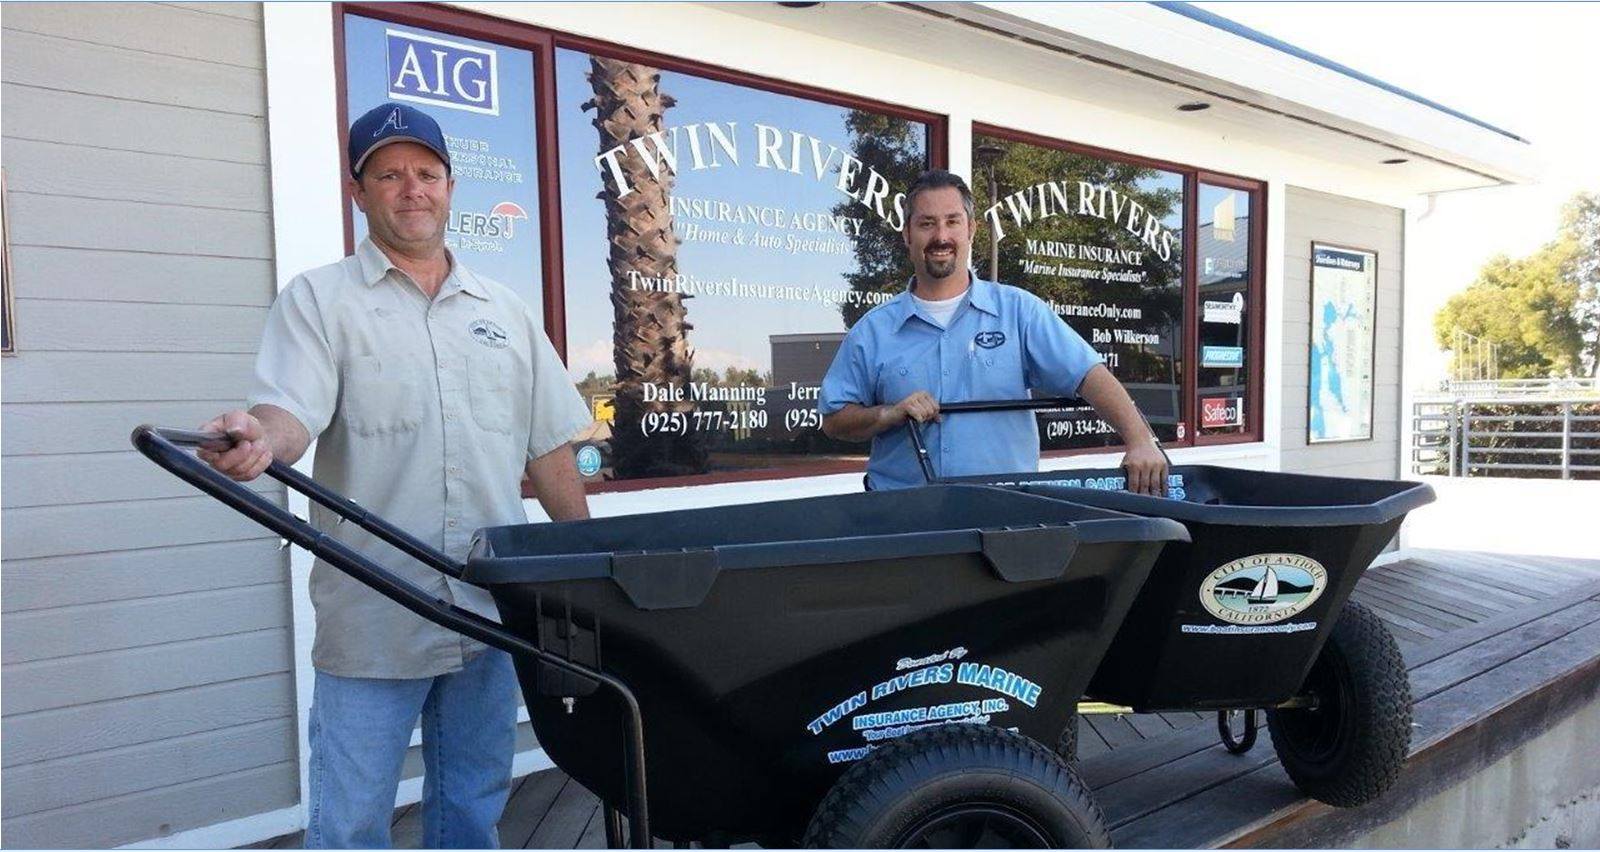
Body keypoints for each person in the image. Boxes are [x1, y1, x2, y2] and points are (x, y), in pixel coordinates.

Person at [197, 103, 593, 848]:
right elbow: (286, 416)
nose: (411, 188)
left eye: (426, 173)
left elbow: (548, 450)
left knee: (472, 810)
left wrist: (594, 569)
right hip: (373, 613)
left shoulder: (504, 311)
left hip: (484, 610)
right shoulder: (320, 301)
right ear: (360, 192)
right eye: (389, 174)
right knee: (351, 822)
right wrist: (258, 438)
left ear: (449, 186)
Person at [818, 169, 1169, 494]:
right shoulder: (873, 330)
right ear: (907, 234)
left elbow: (1089, 375)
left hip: (1005, 516)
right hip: (905, 522)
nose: (941, 236)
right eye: (926, 223)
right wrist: (888, 413)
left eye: (952, 222)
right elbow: (834, 421)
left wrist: (1140, 440)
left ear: (970, 229)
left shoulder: (1019, 312)